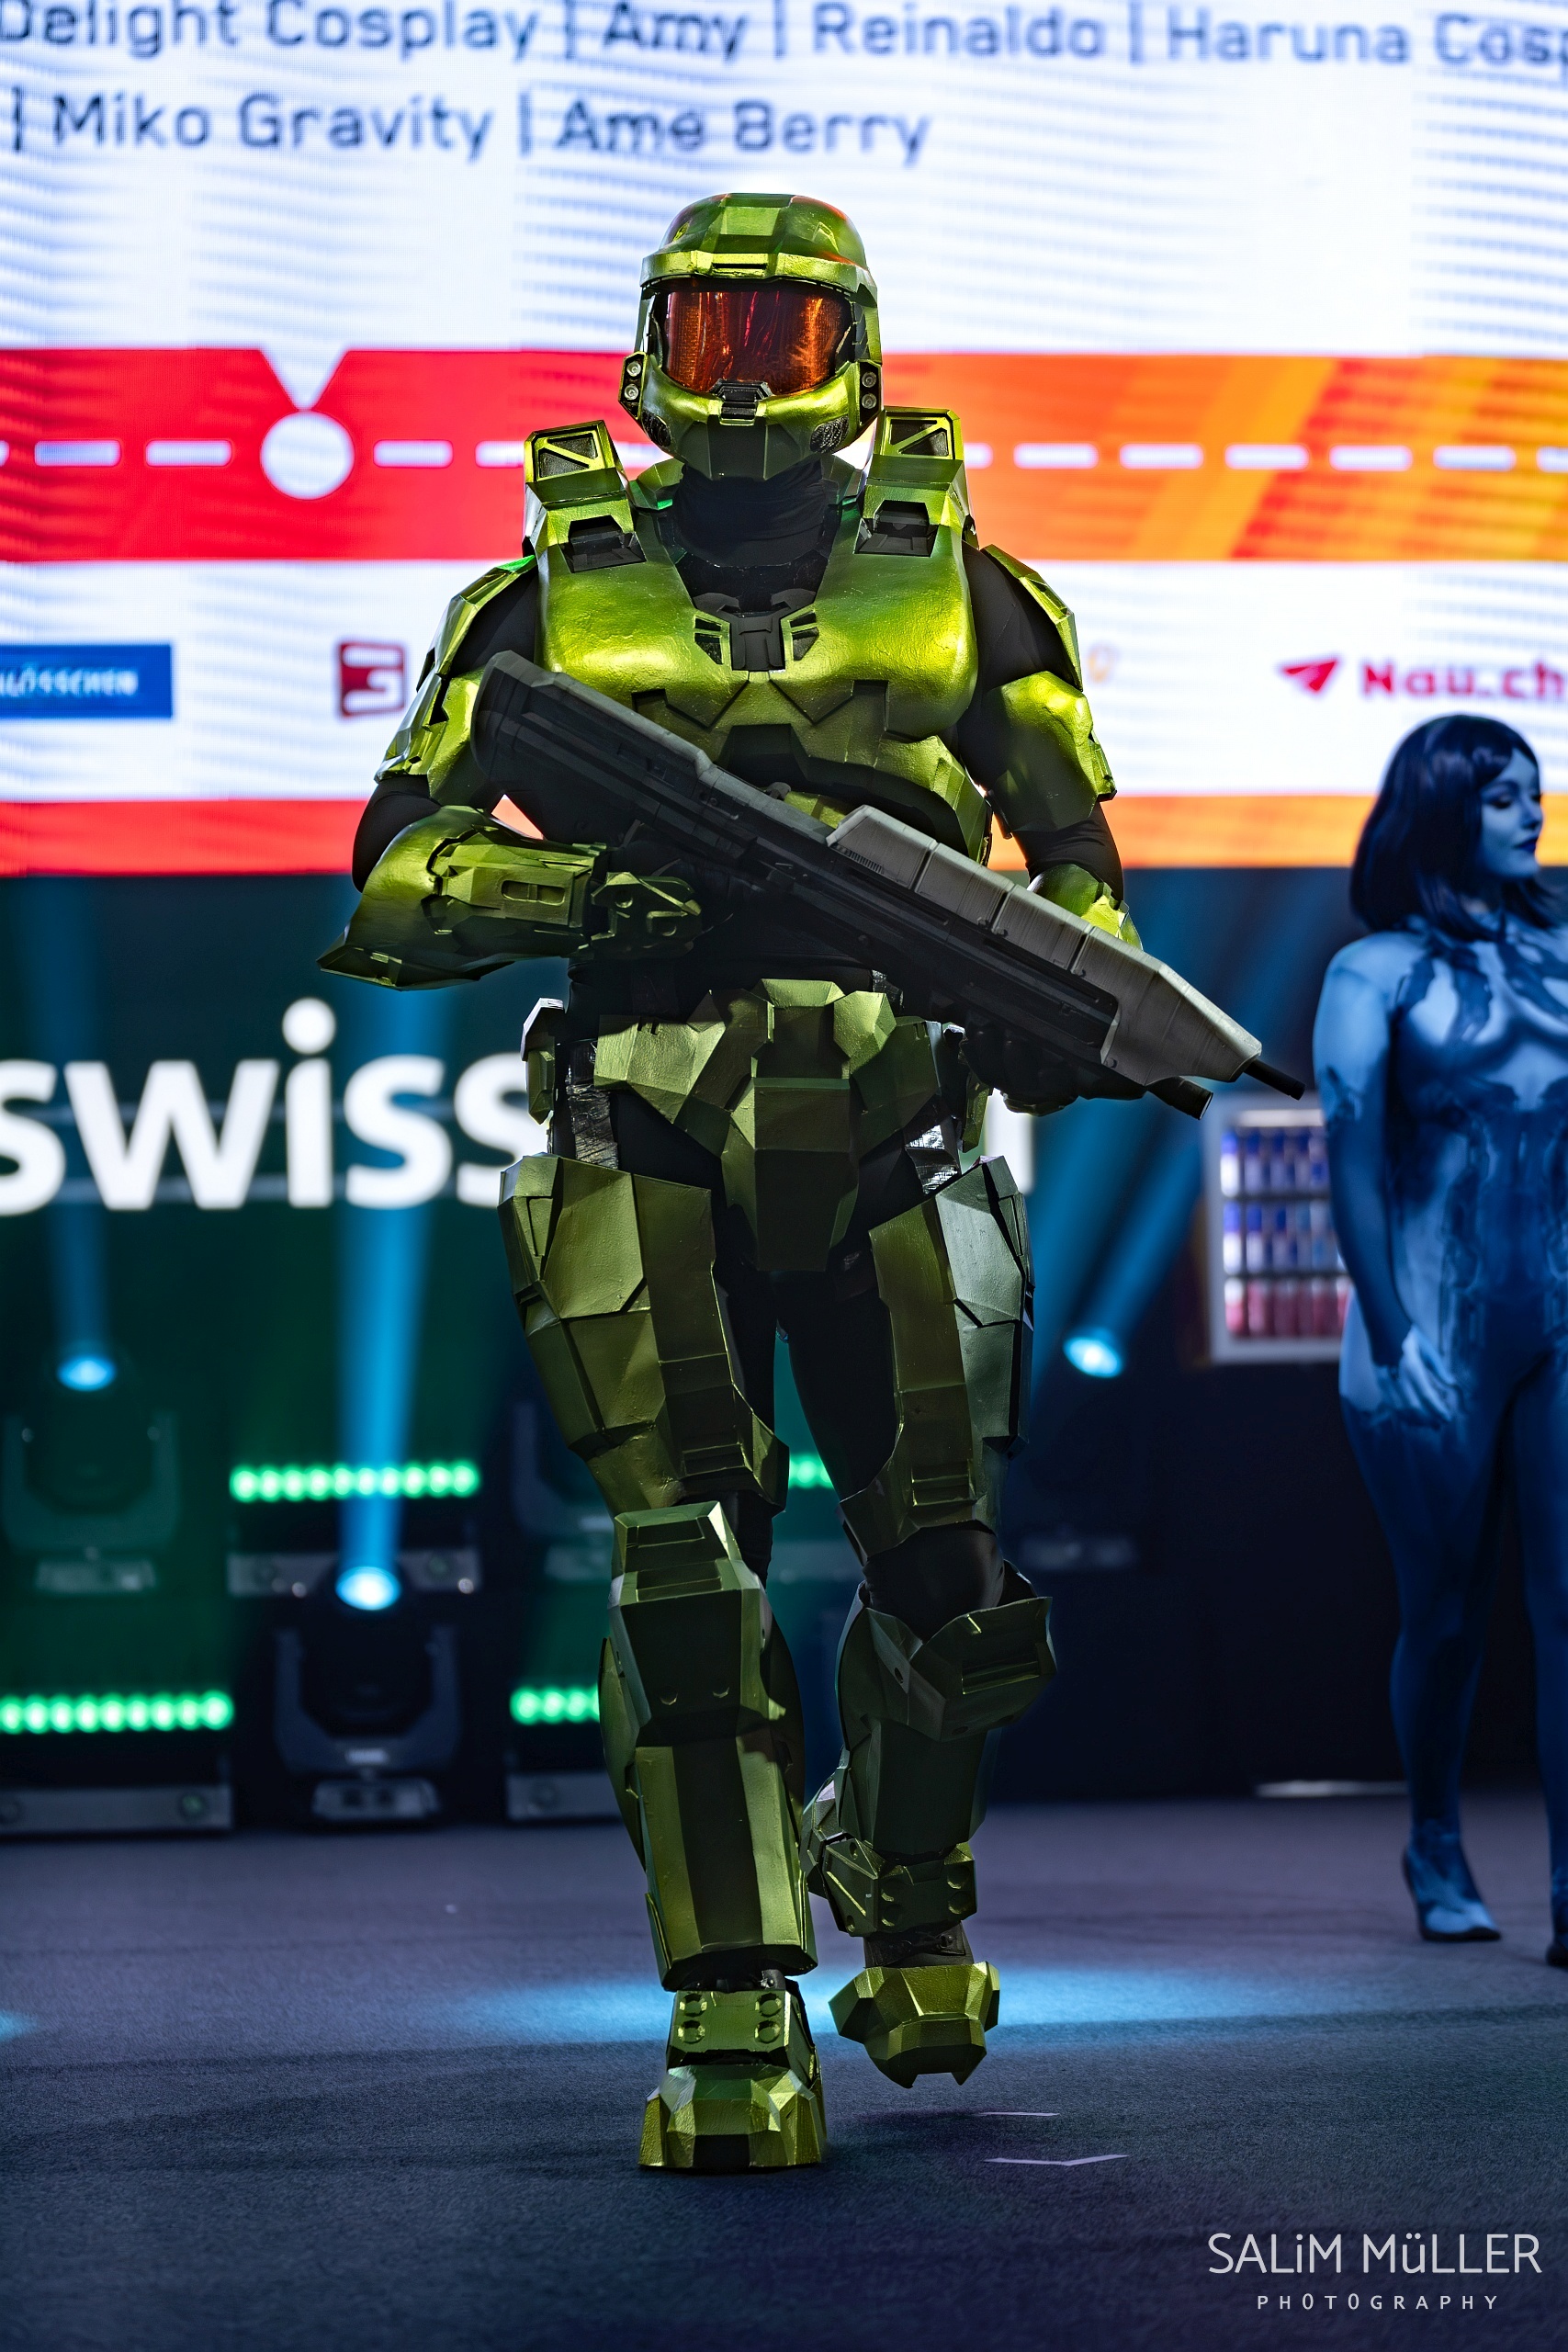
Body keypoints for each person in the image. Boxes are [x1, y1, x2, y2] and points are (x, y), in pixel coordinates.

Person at [323, 193, 1140, 2170]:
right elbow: (397, 872)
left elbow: (1081, 865)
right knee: (686, 1576)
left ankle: (901, 1877)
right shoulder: (544, 594)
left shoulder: (965, 589)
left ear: (854, 349)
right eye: (712, 336)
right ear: (648, 350)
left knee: (952, 1592)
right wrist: (578, 894)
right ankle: (729, 1996)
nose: (748, 378)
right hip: (649, 1109)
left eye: (781, 336)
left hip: (899, 1109)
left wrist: (1068, 997)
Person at [1314, 714, 1568, 1962]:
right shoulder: (1374, 972)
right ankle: (1434, 1843)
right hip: (1425, 1327)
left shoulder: (1564, 954)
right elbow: (1349, 1161)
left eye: (1536, 790)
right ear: (1443, 810)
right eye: (1504, 795)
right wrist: (1388, 1323)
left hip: (1557, 1315)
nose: (1534, 812)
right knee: (1449, 1615)